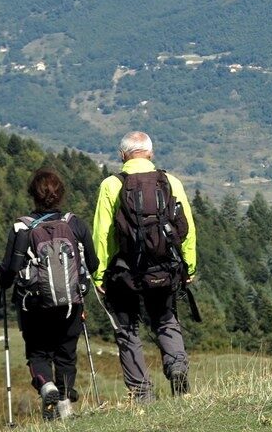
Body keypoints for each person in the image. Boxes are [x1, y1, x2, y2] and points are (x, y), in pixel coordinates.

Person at [91, 131, 197, 402]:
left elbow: (102, 234)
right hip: (165, 267)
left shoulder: (112, 185)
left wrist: (99, 274)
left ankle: (141, 394)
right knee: (165, 319)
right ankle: (176, 367)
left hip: (125, 271)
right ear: (151, 153)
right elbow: (187, 229)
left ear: (122, 155)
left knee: (127, 330)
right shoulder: (170, 181)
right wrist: (189, 267)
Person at [0, 167, 98, 421]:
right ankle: (64, 406)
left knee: (38, 353)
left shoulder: (22, 228)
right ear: (61, 194)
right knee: (66, 354)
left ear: (32, 195)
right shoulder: (74, 224)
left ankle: (47, 386)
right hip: (71, 303)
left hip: (34, 307)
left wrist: (2, 284)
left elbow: (10, 271)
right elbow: (94, 264)